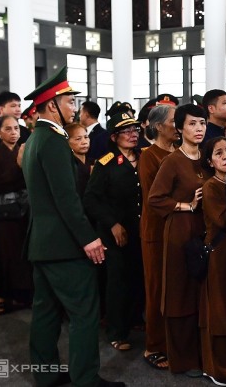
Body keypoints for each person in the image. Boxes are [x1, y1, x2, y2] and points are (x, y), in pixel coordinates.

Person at [21, 66, 123, 387]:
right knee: (84, 313)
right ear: (52, 104)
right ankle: (86, 379)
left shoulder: (37, 139)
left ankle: (47, 376)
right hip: (64, 245)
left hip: (43, 244)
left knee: (46, 314)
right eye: (69, 101)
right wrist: (88, 238)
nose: (74, 107)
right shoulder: (52, 141)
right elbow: (65, 199)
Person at [148, 103, 210, 375]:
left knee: (201, 295)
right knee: (180, 295)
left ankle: (203, 356)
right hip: (179, 232)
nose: (199, 129)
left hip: (204, 231)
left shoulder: (207, 157)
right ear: (180, 128)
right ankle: (182, 360)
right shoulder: (172, 160)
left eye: (203, 123)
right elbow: (155, 199)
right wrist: (187, 205)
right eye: (193, 124)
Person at [83, 105, 144, 354]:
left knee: (138, 276)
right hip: (115, 230)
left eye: (135, 129)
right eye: (126, 131)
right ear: (113, 137)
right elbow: (91, 199)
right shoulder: (106, 163)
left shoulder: (144, 157)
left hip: (140, 228)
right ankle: (116, 331)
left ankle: (134, 319)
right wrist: (112, 224)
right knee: (117, 280)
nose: (133, 134)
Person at [138, 104, 177, 370]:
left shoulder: (183, 152)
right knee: (156, 288)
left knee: (178, 289)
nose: (179, 124)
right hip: (157, 230)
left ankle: (176, 343)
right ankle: (154, 345)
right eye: (175, 121)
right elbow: (155, 197)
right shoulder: (149, 156)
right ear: (159, 126)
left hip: (181, 230)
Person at [200, 137, 226, 387]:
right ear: (210, 161)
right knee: (221, 311)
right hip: (220, 254)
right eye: (219, 153)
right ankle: (217, 368)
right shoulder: (212, 186)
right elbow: (224, 220)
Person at [0, 115, 32, 312]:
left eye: (16, 129)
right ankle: (4, 294)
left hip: (26, 210)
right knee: (4, 254)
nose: (14, 133)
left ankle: (25, 293)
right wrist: (17, 168)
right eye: (9, 129)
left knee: (24, 253)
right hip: (5, 213)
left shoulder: (25, 151)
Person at [65, 122, 93, 196]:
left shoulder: (94, 162)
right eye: (78, 139)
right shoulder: (68, 165)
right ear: (67, 142)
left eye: (86, 137)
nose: (84, 142)